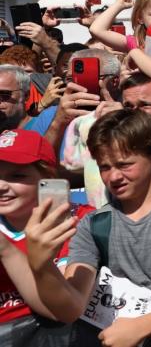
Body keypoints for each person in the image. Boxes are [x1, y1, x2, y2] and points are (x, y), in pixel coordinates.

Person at [25, 109, 151, 346]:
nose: (113, 177)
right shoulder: (93, 225)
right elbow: (72, 306)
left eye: (124, 165)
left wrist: (141, 327)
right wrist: (42, 268)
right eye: (105, 167)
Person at [0, 129, 91, 339]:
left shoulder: (79, 221)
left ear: (47, 178)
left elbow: (62, 311)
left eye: (17, 176)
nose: (1, 186)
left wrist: (5, 249)